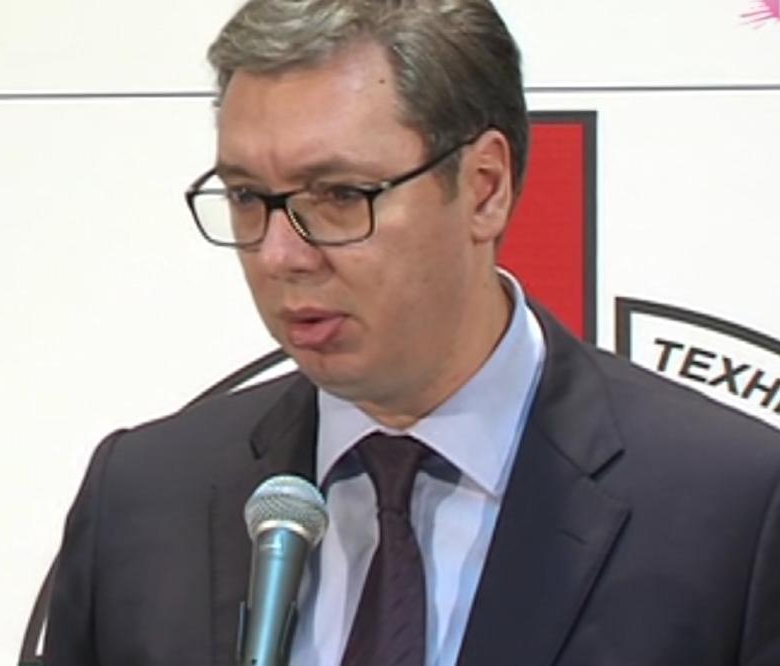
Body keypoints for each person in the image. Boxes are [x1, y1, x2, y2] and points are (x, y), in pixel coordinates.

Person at [42, 0, 780, 664]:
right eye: (246, 196)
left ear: (485, 188)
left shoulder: (734, 511)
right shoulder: (143, 497)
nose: (279, 255)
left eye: (339, 195)